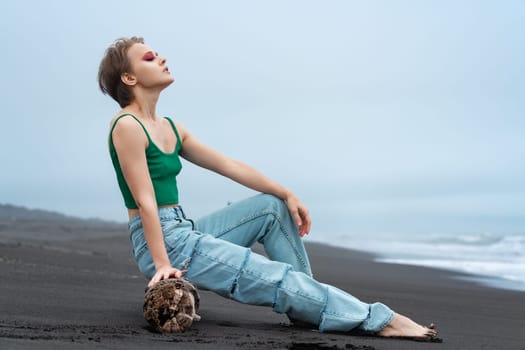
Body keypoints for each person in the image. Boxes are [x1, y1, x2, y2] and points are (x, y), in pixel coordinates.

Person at [98, 36, 439, 341]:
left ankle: (308, 303)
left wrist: (287, 193)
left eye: (158, 54)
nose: (160, 58)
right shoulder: (126, 126)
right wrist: (161, 263)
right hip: (161, 240)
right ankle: (378, 319)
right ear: (129, 78)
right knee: (275, 277)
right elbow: (145, 200)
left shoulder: (170, 127)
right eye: (148, 58)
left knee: (271, 208)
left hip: (183, 229)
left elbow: (229, 166)